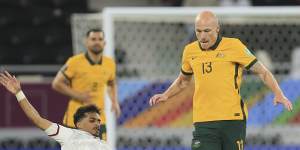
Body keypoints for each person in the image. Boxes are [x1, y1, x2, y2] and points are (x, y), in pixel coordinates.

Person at [149, 11, 293, 150]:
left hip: (232, 119)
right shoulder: (189, 51)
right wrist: (166, 95)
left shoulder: (234, 46)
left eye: (207, 31)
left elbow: (263, 72)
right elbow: (183, 81)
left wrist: (278, 93)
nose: (202, 36)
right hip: (203, 121)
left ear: (217, 29)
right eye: (198, 31)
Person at [0, 71, 111, 150]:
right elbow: (37, 120)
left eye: (98, 121)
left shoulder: (104, 146)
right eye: (92, 120)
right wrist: (19, 93)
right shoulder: (68, 134)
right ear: (78, 124)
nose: (97, 124)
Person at [52, 28, 121, 140]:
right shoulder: (74, 62)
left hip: (99, 119)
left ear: (104, 43)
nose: (97, 42)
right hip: (76, 120)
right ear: (86, 42)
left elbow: (112, 83)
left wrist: (114, 101)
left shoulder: (110, 63)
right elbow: (56, 83)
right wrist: (77, 95)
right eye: (93, 39)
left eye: (100, 39)